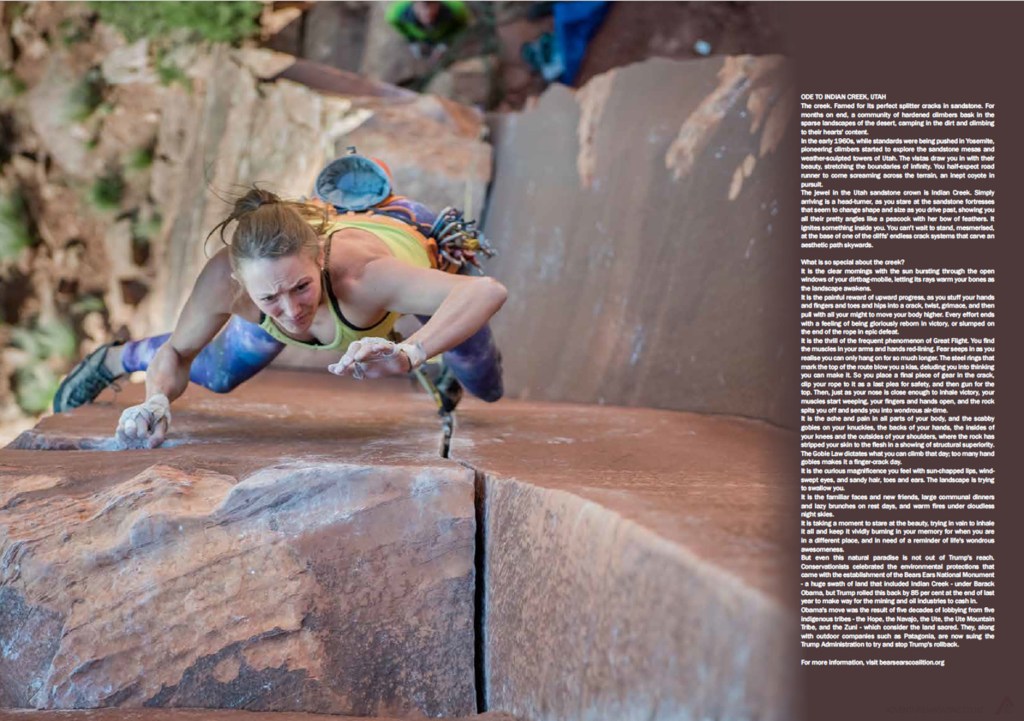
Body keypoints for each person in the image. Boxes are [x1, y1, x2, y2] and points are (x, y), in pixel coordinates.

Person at [52, 181, 507, 449]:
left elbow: (485, 291)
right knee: (220, 373)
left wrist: (412, 351)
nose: (292, 311)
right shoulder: (225, 282)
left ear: (319, 258)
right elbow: (177, 352)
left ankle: (441, 361)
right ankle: (113, 359)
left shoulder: (363, 276)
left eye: (301, 287)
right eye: (270, 297)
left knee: (484, 384)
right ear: (240, 283)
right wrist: (156, 400)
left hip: (408, 238)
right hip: (311, 274)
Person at [386, 1, 472, 59]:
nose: (427, 12)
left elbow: (460, 27)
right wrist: (412, 41)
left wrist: (445, 43)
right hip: (420, 36)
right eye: (422, 6)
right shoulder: (396, 14)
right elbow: (401, 28)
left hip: (443, 35)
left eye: (432, 4)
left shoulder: (457, 10)